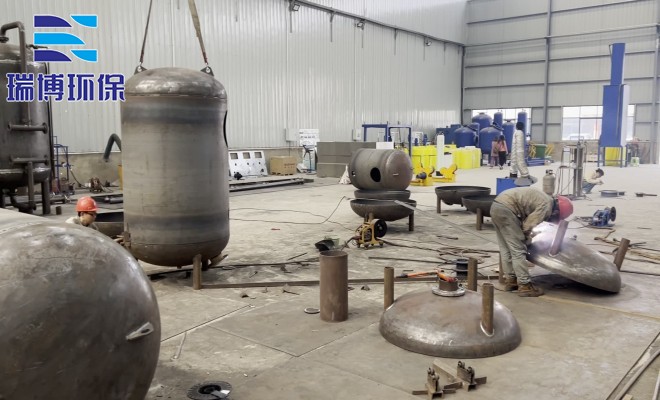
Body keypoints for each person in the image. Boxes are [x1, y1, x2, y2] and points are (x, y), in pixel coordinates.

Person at [490, 187, 574, 297]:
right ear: (557, 211)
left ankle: (511, 281)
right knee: (518, 250)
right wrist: (526, 239)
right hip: (507, 210)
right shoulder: (546, 206)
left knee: (506, 247)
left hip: (496, 206)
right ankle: (525, 286)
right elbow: (528, 225)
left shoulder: (545, 199)